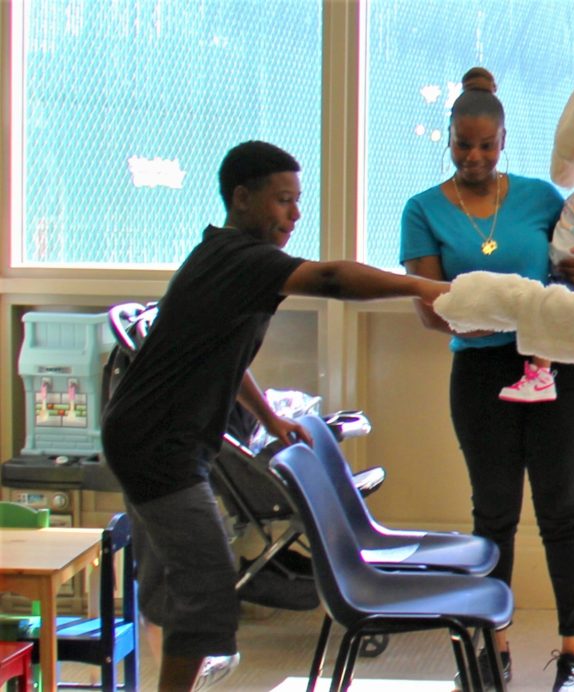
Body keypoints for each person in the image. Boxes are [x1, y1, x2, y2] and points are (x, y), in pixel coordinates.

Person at [101, 140, 447, 692]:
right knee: (208, 583)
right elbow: (333, 279)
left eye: (298, 200)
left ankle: (172, 675)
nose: (295, 214)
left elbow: (223, 357)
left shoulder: (224, 259)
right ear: (242, 199)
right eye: (283, 200)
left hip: (149, 435)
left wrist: (267, 414)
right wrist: (424, 286)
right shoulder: (240, 258)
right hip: (156, 445)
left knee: (177, 580)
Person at [400, 67, 574, 692]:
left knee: (561, 513)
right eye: (463, 144)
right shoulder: (422, 209)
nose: (473, 156)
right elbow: (431, 310)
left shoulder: (543, 199)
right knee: (493, 515)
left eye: (485, 146)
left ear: (502, 143)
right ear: (448, 138)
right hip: (482, 373)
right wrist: (501, 315)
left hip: (559, 367)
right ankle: (495, 648)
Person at [499, 162, 574, 403]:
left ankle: (542, 376)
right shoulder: (570, 200)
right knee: (543, 314)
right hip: (556, 273)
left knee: (546, 316)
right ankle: (541, 373)